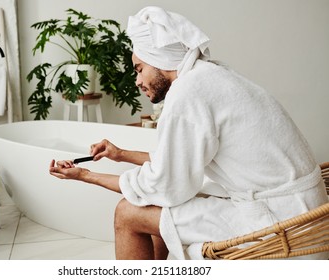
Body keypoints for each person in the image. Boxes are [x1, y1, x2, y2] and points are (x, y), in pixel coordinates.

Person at [49, 6, 328, 260]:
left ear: (159, 60)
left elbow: (165, 187)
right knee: (162, 210)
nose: (137, 81)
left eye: (140, 69)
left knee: (128, 212)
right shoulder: (211, 76)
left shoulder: (188, 92)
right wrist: (119, 154)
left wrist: (85, 176)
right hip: (307, 212)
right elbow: (175, 166)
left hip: (281, 224)